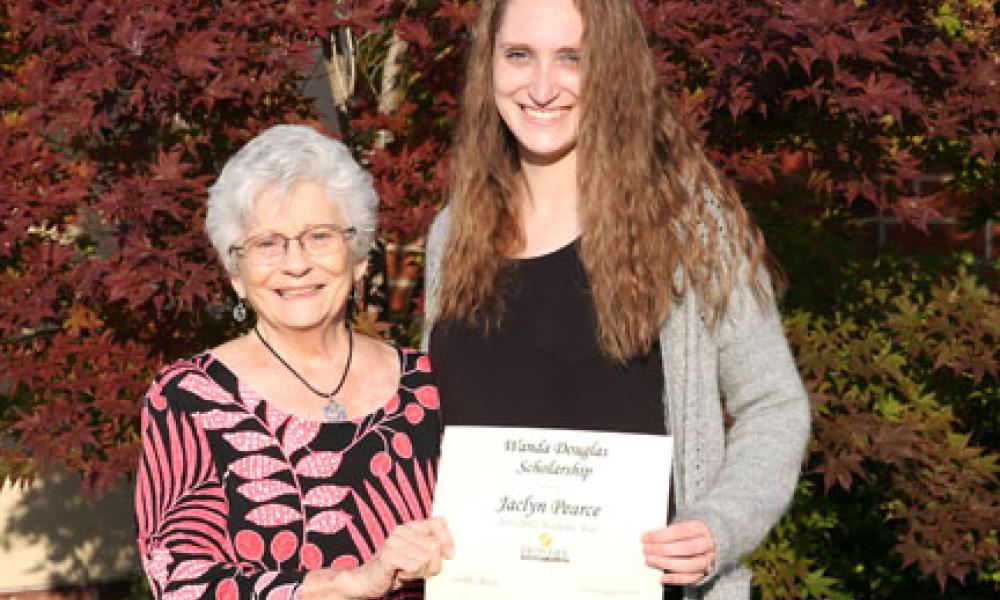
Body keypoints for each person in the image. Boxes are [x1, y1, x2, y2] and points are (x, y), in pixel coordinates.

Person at [422, 1, 810, 598]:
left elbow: (773, 403)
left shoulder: (687, 221)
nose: (543, 87)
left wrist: (718, 525)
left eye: (573, 59)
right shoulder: (454, 233)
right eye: (519, 55)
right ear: (489, 67)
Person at [135, 125, 452, 600]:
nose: (296, 264)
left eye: (318, 236)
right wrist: (341, 586)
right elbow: (179, 580)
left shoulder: (431, 385)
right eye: (267, 244)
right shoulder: (188, 397)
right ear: (236, 274)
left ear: (359, 256)